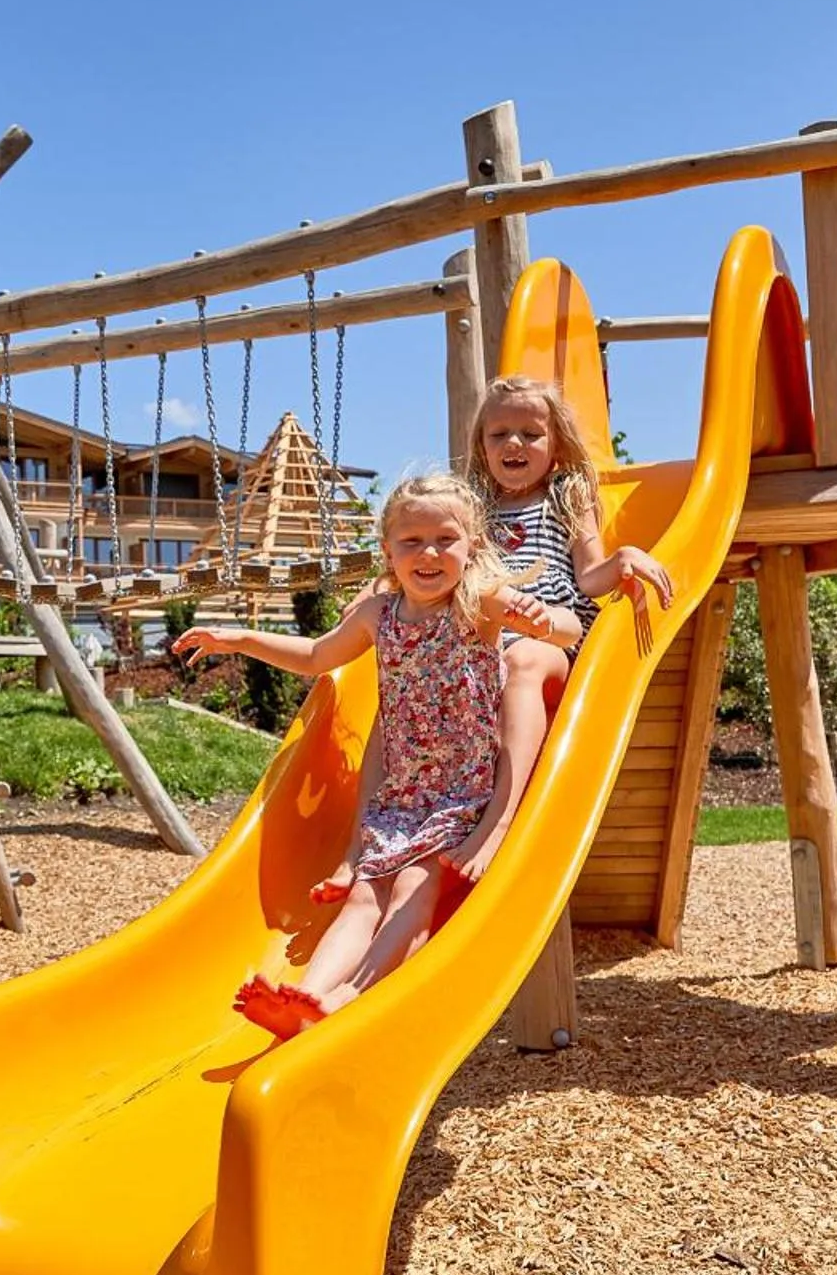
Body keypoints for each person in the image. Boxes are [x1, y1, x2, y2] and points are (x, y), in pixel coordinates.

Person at [173, 474, 555, 1040]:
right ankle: (307, 997)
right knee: (362, 896)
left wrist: (541, 616)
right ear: (388, 551)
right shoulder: (380, 615)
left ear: (471, 546)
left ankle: (350, 996)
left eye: (445, 539)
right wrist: (242, 639)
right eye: (411, 541)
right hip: (403, 793)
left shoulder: (481, 603)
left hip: (465, 788)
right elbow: (316, 654)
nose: (428, 553)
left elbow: (566, 630)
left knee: (410, 887)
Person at [439, 376, 673, 880]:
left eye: (530, 433)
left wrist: (625, 558)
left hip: (549, 633)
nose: (514, 444)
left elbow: (589, 577)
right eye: (499, 434)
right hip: (487, 633)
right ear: (482, 445)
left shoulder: (565, 496)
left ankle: (499, 820)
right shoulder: (471, 506)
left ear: (556, 444)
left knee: (522, 659)